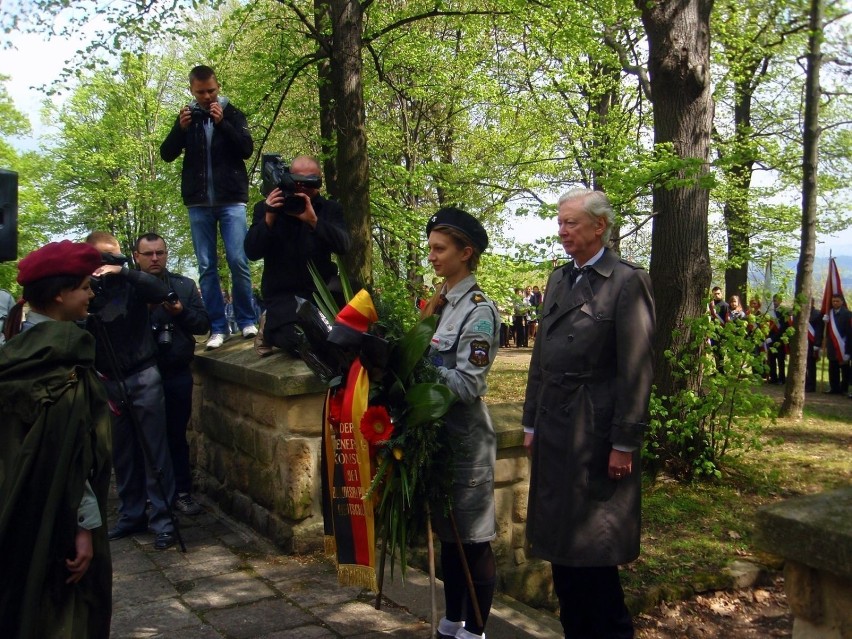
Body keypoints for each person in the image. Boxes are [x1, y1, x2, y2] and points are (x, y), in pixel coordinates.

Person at [522, 188, 655, 639]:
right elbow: (541, 357)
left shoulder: (626, 281)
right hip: (555, 431)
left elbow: (636, 370)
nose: (562, 232)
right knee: (561, 552)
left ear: (600, 226)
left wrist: (624, 442)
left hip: (593, 437)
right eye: (559, 224)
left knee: (593, 555)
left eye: (570, 224)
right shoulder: (559, 279)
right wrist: (529, 421)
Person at [0, 241, 113, 638]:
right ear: (60, 294)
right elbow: (67, 455)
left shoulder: (18, 354)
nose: (91, 294)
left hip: (20, 508)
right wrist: (83, 528)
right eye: (85, 286)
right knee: (63, 614)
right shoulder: (59, 365)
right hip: (60, 519)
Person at [420, 207, 499, 639]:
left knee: (472, 539)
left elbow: (468, 384)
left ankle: (477, 629)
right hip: (440, 439)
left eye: (439, 249)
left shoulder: (478, 311)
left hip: (467, 442)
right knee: (449, 536)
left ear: (465, 253)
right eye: (430, 248)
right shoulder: (441, 304)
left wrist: (414, 368)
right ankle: (452, 621)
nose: (431, 256)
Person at [84, 232, 178, 550]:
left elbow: (163, 291)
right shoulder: (85, 287)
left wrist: (122, 271)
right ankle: (131, 515)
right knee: (122, 453)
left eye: (115, 256)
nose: (108, 262)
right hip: (107, 378)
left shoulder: (132, 282)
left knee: (155, 451)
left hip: (142, 374)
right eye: (102, 257)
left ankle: (163, 519)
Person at [159, 64, 257, 350]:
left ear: (218, 87)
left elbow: (246, 150)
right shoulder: (187, 117)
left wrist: (223, 122)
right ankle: (218, 327)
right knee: (206, 266)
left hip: (231, 201)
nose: (206, 97)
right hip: (198, 202)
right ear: (191, 90)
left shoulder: (234, 113)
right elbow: (166, 154)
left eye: (211, 90)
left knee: (239, 260)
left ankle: (247, 320)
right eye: (200, 92)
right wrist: (180, 129)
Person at [245, 155, 351, 357]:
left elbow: (344, 245)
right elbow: (251, 251)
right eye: (297, 181)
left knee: (343, 341)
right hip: (284, 297)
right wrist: (269, 218)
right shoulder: (267, 208)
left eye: (310, 182)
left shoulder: (330, 209)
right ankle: (269, 327)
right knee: (301, 344)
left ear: (319, 182)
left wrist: (314, 222)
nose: (302, 188)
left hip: (322, 293)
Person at [134, 233, 210, 516]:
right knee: (142, 438)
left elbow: (202, 325)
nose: (155, 258)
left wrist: (179, 311)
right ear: (136, 256)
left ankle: (181, 491)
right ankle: (147, 495)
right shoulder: (128, 288)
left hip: (176, 373)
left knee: (176, 435)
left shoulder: (184, 286)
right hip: (141, 373)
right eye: (148, 254)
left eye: (160, 253)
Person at [823, 294, 851, 395]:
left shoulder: (848, 314)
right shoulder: (828, 314)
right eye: (833, 301)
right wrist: (824, 322)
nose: (835, 303)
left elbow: (849, 333)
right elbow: (825, 331)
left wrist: (848, 351)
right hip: (832, 346)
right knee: (833, 367)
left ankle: (844, 388)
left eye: (837, 301)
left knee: (844, 369)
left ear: (842, 302)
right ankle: (834, 388)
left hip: (843, 345)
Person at [766, 294, 789, 385]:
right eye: (773, 301)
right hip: (770, 338)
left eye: (776, 301)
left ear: (780, 301)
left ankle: (781, 378)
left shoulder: (784, 312)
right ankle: (773, 377)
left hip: (780, 340)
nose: (774, 302)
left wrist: (773, 338)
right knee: (771, 359)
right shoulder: (770, 311)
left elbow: (783, 328)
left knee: (780, 360)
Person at [805, 298, 824, 393]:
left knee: (811, 365)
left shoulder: (817, 314)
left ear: (813, 303)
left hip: (812, 343)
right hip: (803, 343)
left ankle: (811, 386)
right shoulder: (801, 313)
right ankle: (804, 383)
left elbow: (819, 330)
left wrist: (817, 344)